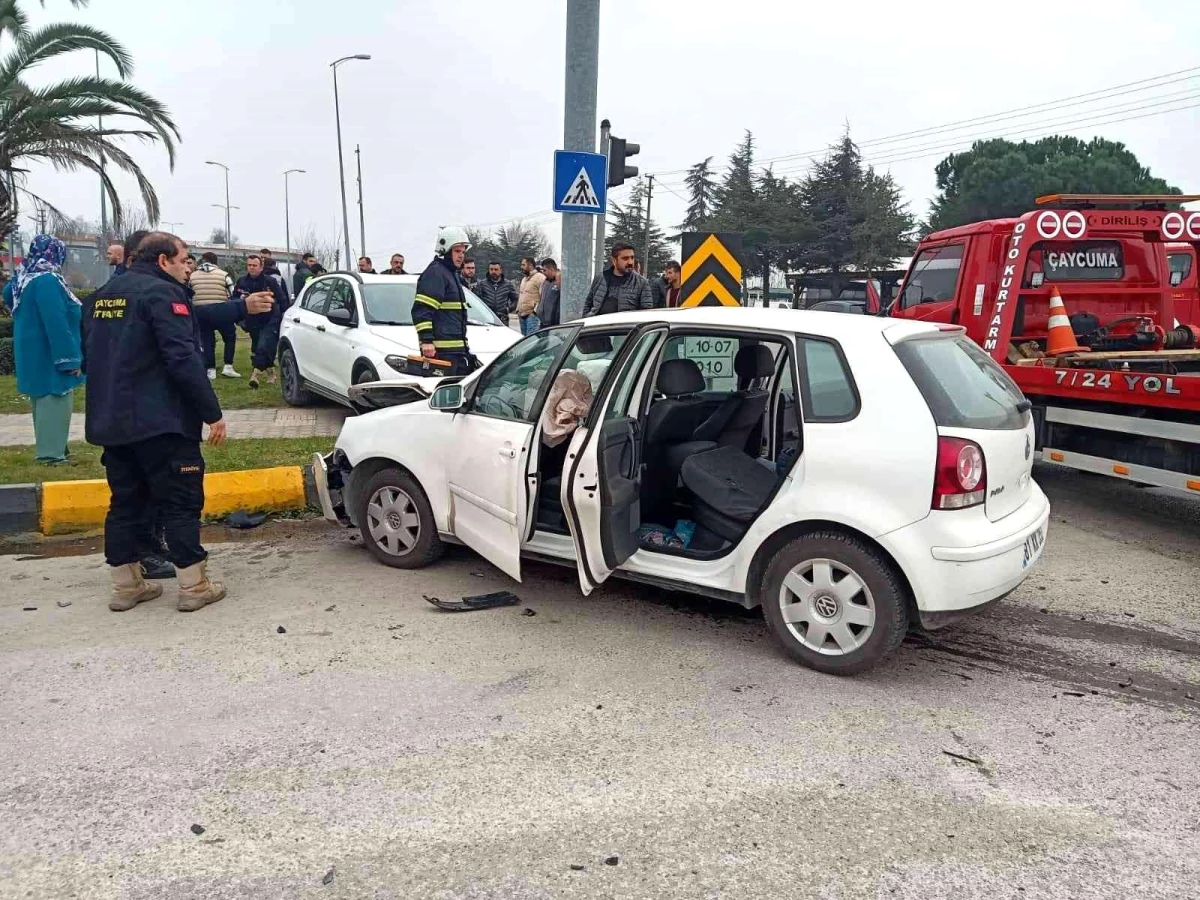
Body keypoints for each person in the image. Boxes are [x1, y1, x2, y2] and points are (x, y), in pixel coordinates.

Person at [82, 231, 228, 613]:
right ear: (163, 261)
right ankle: (195, 586)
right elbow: (182, 359)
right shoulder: (163, 294)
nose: (187, 270)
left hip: (112, 421)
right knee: (180, 502)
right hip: (162, 422)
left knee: (125, 503)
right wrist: (211, 413)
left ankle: (126, 586)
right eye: (183, 261)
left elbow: (91, 357)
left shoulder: (99, 298)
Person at [1, 235, 84, 464]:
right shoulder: (47, 280)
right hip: (50, 353)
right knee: (55, 399)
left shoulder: (22, 279)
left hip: (31, 351)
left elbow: (11, 300)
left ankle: (56, 447)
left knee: (42, 401)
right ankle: (51, 455)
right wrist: (69, 359)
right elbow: (55, 321)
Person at [412, 226, 477, 375]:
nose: (461, 256)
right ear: (444, 251)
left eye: (463, 251)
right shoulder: (436, 273)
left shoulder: (450, 273)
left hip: (456, 351)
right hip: (441, 353)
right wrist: (427, 341)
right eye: (457, 251)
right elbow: (422, 310)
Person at [233, 254, 288, 388]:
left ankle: (256, 373)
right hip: (252, 319)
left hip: (270, 318)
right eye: (249, 265)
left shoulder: (270, 281)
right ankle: (271, 373)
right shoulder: (242, 282)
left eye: (254, 265)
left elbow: (282, 300)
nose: (251, 268)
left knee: (264, 345)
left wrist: (283, 317)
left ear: (261, 267)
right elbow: (233, 299)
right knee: (259, 346)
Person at [191, 251, 239, 380]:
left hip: (200, 311)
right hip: (221, 309)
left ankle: (210, 369)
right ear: (216, 262)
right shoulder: (224, 275)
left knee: (207, 340)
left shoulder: (192, 276)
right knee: (229, 337)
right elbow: (232, 294)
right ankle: (228, 366)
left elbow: (188, 294)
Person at [582, 242, 653, 316]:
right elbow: (588, 305)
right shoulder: (600, 278)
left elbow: (646, 313)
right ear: (614, 261)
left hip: (626, 326)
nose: (630, 262)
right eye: (625, 258)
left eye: (632, 257)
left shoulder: (641, 282)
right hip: (598, 326)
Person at [517, 256, 544, 335]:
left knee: (531, 341)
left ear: (531, 265)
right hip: (522, 316)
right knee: (524, 341)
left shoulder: (540, 278)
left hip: (532, 317)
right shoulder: (524, 279)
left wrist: (535, 312)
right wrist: (518, 310)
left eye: (523, 265)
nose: (521, 267)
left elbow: (543, 296)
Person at [537, 257, 562, 328]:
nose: (543, 273)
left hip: (553, 324)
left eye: (544, 270)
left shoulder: (560, 281)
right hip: (543, 322)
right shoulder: (546, 282)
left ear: (551, 269)